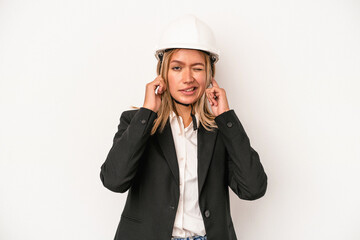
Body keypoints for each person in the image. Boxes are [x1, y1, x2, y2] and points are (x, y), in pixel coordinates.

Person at [100, 15, 267, 240]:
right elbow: (114, 181)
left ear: (209, 74)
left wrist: (226, 118)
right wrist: (147, 112)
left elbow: (253, 188)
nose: (188, 78)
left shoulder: (220, 130)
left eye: (197, 68)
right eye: (177, 68)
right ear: (163, 72)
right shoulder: (135, 122)